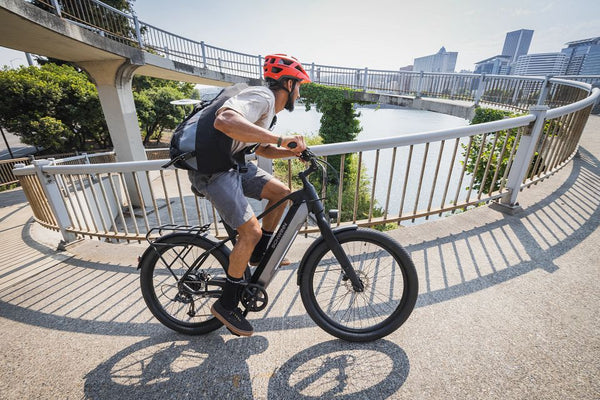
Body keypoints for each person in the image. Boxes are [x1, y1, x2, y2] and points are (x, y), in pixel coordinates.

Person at [188, 54, 311, 336]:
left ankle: (257, 255)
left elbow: (260, 150)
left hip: (231, 165)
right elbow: (225, 120)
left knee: (281, 193)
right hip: (213, 172)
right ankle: (227, 304)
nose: (300, 93)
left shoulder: (269, 111)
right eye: (299, 86)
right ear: (289, 84)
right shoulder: (262, 96)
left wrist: (290, 151)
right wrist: (281, 139)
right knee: (250, 231)